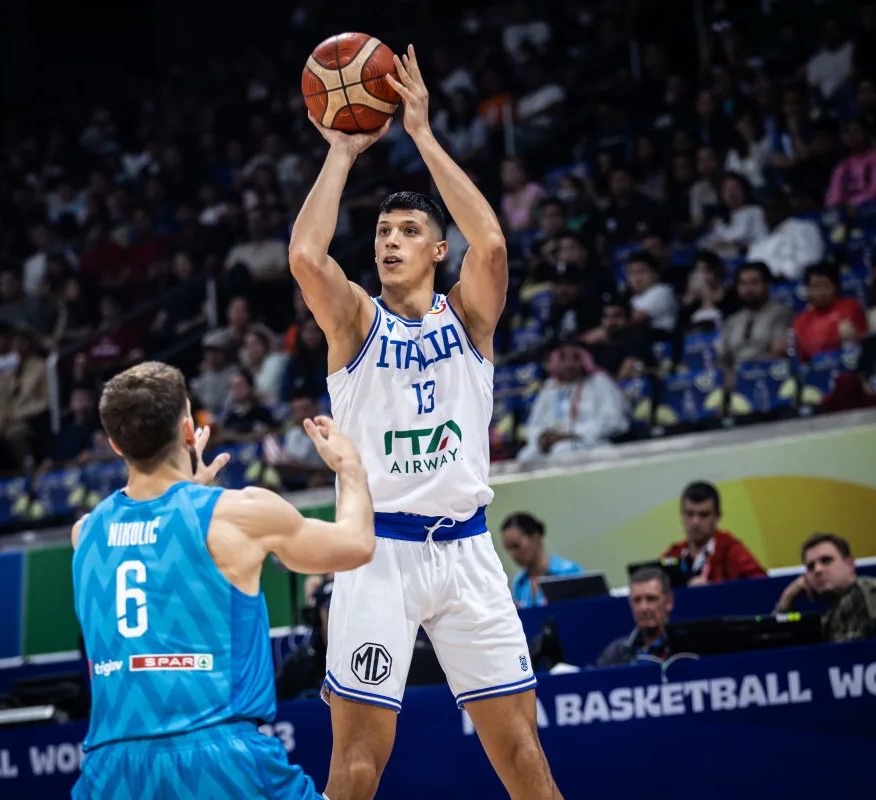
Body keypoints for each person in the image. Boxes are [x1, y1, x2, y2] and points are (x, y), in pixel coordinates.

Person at [288, 47, 561, 800]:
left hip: (469, 551)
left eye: (408, 231)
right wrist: (342, 150)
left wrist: (424, 134)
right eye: (382, 233)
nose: (389, 241)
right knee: (357, 765)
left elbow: (496, 245)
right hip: (379, 554)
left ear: (439, 251)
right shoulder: (355, 323)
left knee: (523, 758)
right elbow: (307, 258)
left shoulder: (471, 316)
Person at [69, 361, 374, 799]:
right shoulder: (238, 514)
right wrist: (350, 470)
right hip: (217, 754)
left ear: (115, 444)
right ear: (190, 431)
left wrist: (185, 495)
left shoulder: (84, 534)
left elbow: (153, 540)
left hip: (111, 768)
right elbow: (357, 543)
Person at [775, 533, 876, 642]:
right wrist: (787, 599)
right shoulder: (831, 612)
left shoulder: (868, 590)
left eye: (826, 560)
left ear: (850, 564)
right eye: (811, 566)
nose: (818, 570)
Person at [661, 481, 766, 585]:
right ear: (682, 515)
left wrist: (712, 591)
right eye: (689, 514)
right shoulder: (673, 555)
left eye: (704, 515)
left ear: (717, 516)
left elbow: (762, 587)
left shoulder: (731, 551)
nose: (695, 522)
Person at [500, 512, 584, 609]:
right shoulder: (519, 583)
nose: (513, 555)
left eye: (516, 546)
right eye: (508, 549)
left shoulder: (568, 573)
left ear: (535, 537)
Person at [596, 567, 674, 667]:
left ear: (669, 601)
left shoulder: (684, 650)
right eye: (637, 600)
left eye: (651, 599)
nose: (643, 608)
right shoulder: (616, 652)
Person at [275, 578, 333, 701]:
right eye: (330, 611)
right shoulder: (297, 665)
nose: (336, 619)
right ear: (317, 616)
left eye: (342, 611)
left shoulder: (360, 663)